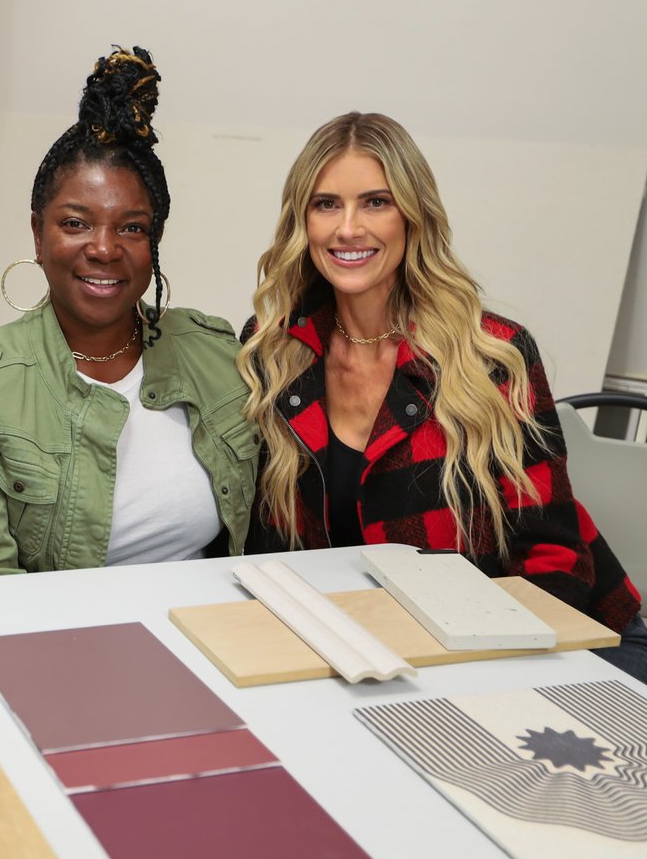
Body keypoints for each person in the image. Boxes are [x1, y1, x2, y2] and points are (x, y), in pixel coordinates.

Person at [237, 111, 645, 678]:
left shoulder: (492, 356)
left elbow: (552, 557)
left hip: (553, 636)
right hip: (376, 647)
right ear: (302, 221)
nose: (348, 228)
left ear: (413, 215)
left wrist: (487, 677)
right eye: (326, 204)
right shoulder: (276, 352)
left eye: (376, 202)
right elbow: (267, 544)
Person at [0, 47, 259, 578]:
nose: (104, 248)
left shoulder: (218, 356)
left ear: (154, 241)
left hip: (209, 621)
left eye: (131, 227)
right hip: (54, 627)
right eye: (76, 224)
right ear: (38, 235)